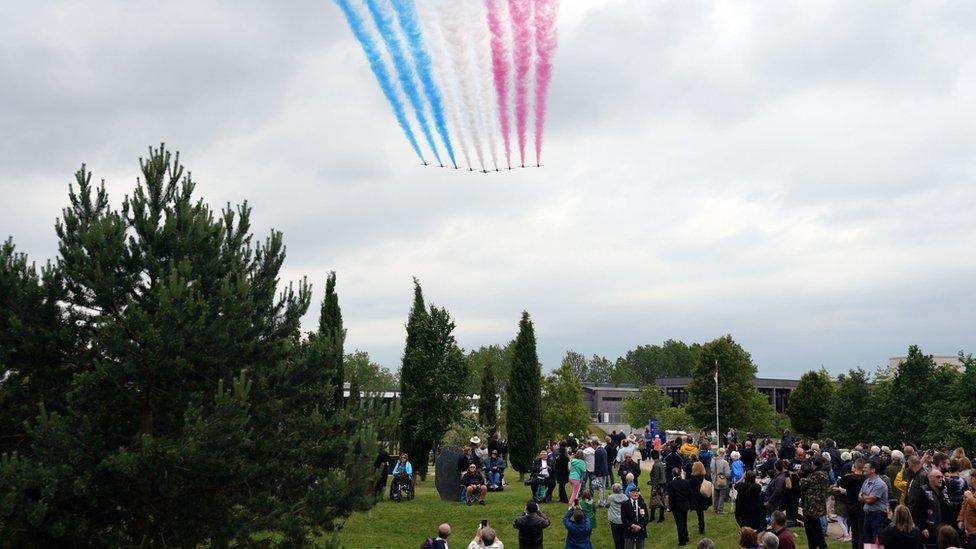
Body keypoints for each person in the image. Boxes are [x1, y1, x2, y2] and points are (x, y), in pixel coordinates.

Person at [912, 468, 953, 547]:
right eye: (938, 477)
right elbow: (918, 511)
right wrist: (923, 527)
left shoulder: (944, 490)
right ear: (930, 478)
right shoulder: (923, 491)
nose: (941, 479)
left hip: (946, 528)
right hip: (931, 529)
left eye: (941, 477)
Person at [798, 456, 831, 549]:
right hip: (817, 504)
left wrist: (802, 476)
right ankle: (820, 545)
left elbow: (803, 483)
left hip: (812, 505)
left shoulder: (817, 475)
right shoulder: (824, 474)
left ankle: (816, 545)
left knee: (811, 529)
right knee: (816, 527)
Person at [836, 458, 867, 549]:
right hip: (862, 506)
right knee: (861, 533)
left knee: (855, 532)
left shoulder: (848, 478)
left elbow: (839, 483)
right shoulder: (866, 479)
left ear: (854, 466)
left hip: (851, 506)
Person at [860, 459, 890, 544]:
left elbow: (870, 500)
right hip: (867, 514)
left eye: (866, 467)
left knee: (877, 540)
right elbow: (859, 497)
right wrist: (865, 496)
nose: (863, 469)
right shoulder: (866, 481)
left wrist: (863, 496)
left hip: (878, 516)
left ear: (873, 470)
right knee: (867, 540)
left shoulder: (880, 484)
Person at [666, 467, 692, 546]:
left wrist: (670, 507)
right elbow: (689, 494)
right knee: (684, 522)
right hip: (685, 504)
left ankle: (682, 541)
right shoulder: (687, 482)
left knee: (679, 524)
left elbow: (671, 497)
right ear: (680, 473)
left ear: (672, 474)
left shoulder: (671, 484)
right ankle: (686, 537)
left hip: (677, 506)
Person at [620, 485, 649, 549]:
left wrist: (640, 526)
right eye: (633, 493)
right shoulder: (624, 504)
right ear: (629, 494)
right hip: (629, 531)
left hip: (640, 531)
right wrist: (633, 525)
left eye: (636, 493)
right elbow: (623, 518)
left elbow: (646, 518)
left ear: (638, 494)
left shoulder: (642, 504)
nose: (635, 494)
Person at [688, 461, 710, 534]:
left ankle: (701, 528)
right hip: (703, 496)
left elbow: (690, 487)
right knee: (701, 514)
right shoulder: (705, 476)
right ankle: (701, 528)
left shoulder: (692, 478)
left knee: (699, 514)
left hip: (696, 497)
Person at [607, 483, 629, 549]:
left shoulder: (611, 497)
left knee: (616, 536)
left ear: (613, 490)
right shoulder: (625, 497)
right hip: (623, 519)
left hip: (614, 519)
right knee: (623, 535)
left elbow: (607, 505)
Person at [649, 449, 667, 523]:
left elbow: (656, 477)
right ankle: (654, 516)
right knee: (659, 499)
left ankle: (660, 517)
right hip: (662, 483)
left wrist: (654, 488)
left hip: (658, 485)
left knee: (657, 500)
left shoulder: (656, 465)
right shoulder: (660, 463)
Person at [711, 448, 731, 514]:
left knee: (716, 495)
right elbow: (727, 473)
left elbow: (712, 470)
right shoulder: (725, 462)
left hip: (714, 478)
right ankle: (720, 510)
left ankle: (715, 508)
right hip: (722, 479)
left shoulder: (713, 460)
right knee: (722, 495)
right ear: (724, 453)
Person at [958, 477, 976, 547]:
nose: (972, 480)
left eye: (973, 478)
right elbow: (964, 506)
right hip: (968, 532)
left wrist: (971, 498)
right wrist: (961, 519)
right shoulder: (971, 491)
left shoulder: (970, 494)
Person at [592, 439, 609, 506]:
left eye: (593, 446)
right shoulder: (603, 450)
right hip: (605, 470)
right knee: (603, 487)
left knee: (600, 487)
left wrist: (595, 473)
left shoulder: (597, 451)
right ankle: (603, 500)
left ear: (595, 444)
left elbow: (597, 463)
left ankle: (601, 502)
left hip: (600, 472)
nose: (593, 447)